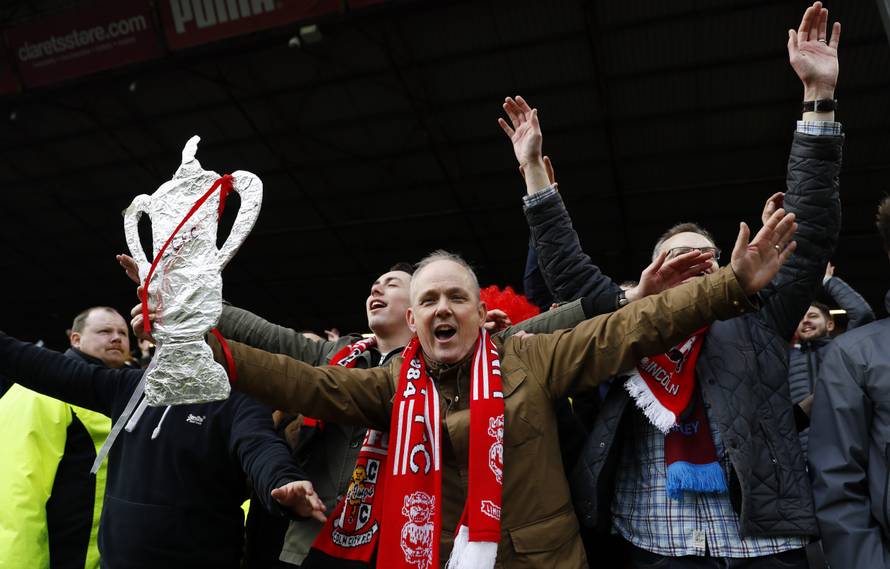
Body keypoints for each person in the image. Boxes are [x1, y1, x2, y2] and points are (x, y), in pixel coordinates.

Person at [199, 199, 796, 569]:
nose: (442, 308)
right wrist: (202, 343)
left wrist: (729, 285)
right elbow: (298, 381)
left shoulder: (532, 358)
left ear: (480, 313)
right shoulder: (386, 387)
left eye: (456, 297)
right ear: (413, 323)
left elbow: (632, 327)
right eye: (428, 298)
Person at [503, 4, 843, 567]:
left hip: (758, 546)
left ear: (729, 270)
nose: (688, 268)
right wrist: (534, 169)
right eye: (673, 259)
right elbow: (565, 270)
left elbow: (809, 229)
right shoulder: (625, 326)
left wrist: (818, 96)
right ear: (647, 280)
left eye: (702, 259)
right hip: (650, 544)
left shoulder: (761, 317)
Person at [0, 323, 326, 569]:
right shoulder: (129, 386)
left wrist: (282, 481)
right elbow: (43, 367)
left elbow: (260, 446)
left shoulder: (236, 403)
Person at [0, 307, 129, 569]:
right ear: (76, 339)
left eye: (122, 333)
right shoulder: (39, 392)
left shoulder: (131, 394)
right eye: (105, 331)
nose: (116, 338)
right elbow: (16, 495)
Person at [808, 196, 890, 568]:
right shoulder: (852, 353)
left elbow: (858, 312)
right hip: (820, 446)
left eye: (815, 316)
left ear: (830, 323)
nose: (806, 321)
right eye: (802, 316)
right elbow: (840, 488)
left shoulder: (841, 344)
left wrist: (830, 281)